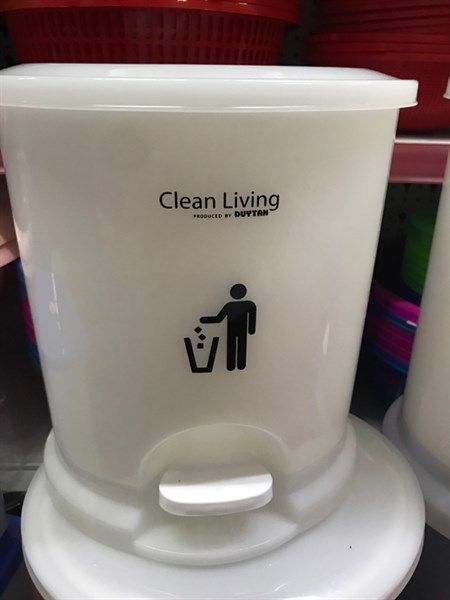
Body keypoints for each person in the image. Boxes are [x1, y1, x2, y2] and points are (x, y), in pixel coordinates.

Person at [200, 284, 256, 371]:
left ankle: (233, 365)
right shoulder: (247, 304)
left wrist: (204, 320)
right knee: (238, 345)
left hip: (233, 330)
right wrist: (251, 330)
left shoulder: (232, 305)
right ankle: (238, 365)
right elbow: (219, 318)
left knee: (234, 346)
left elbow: (218, 318)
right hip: (238, 330)